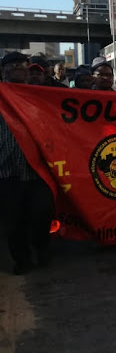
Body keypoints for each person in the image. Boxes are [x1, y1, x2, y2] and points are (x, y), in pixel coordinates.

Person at [0, 51, 55, 274]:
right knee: (13, 221)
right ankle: (22, 259)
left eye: (21, 63)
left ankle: (42, 249)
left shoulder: (41, 95)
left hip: (37, 170)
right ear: (3, 70)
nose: (16, 67)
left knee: (42, 214)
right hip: (5, 171)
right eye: (11, 64)